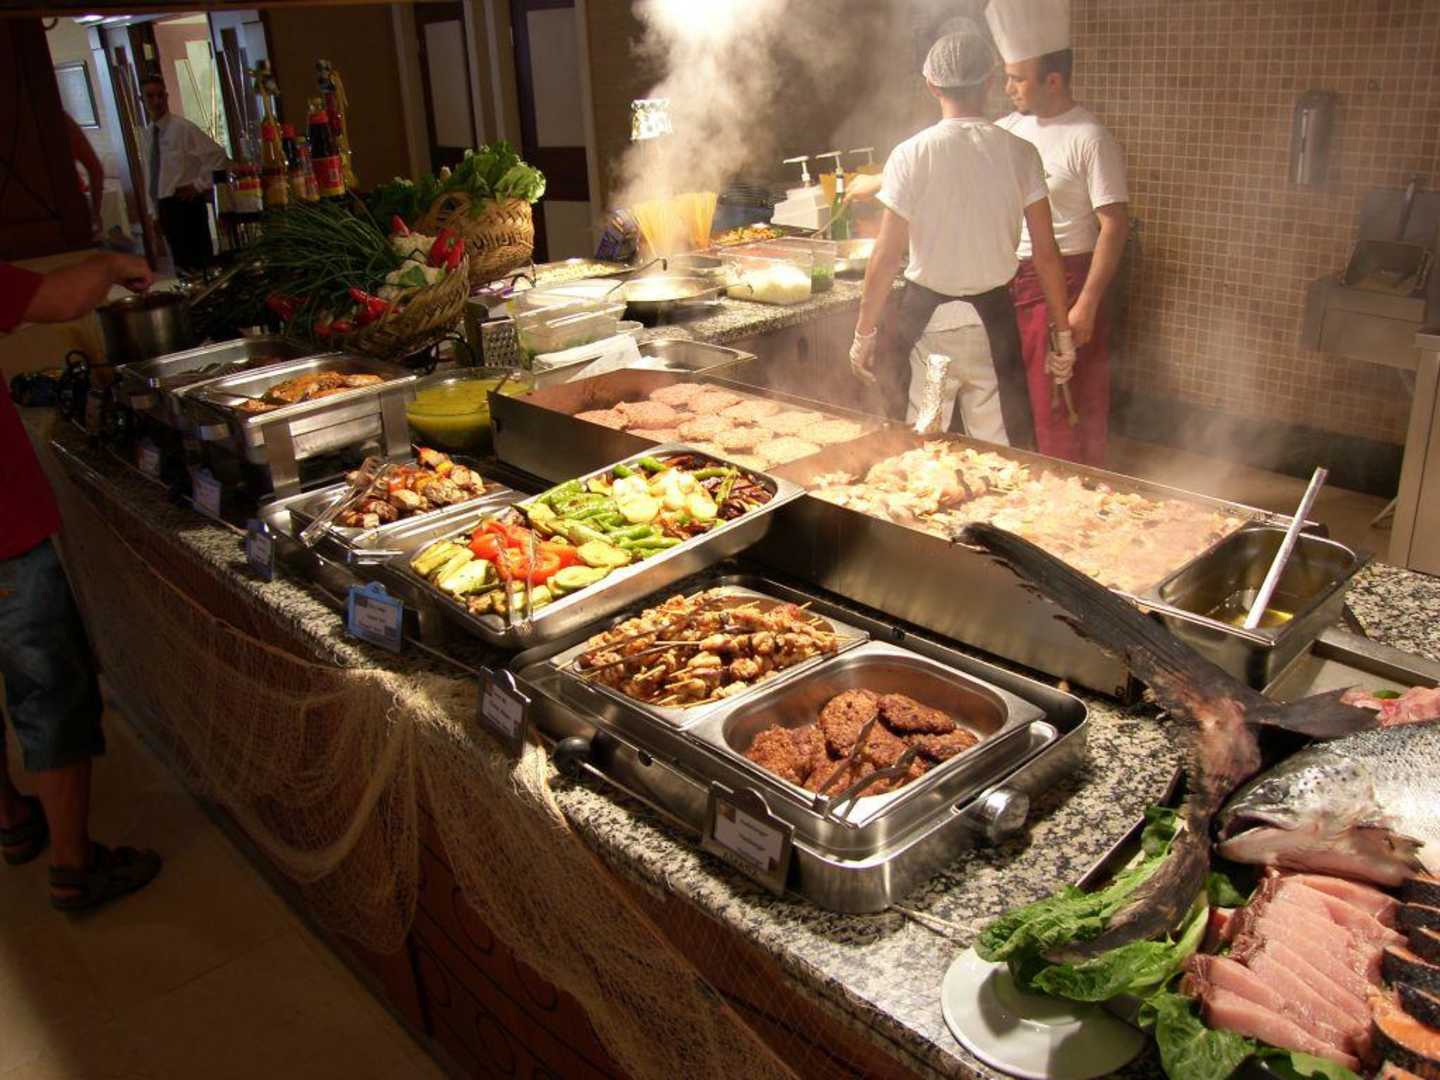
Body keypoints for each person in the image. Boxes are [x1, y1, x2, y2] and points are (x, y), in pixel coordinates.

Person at [0, 253, 164, 911]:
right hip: (3, 533)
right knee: (47, 689)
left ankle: (12, 820)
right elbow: (64, 299)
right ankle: (74, 866)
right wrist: (114, 262)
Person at [848, 20, 1074, 449]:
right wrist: (1062, 336)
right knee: (999, 449)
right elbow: (1047, 253)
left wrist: (864, 334)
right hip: (993, 328)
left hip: (927, 328)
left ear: (931, 85)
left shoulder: (910, 154)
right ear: (989, 82)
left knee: (921, 444)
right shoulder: (1021, 153)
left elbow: (886, 255)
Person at [987, 0, 1130, 466]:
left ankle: (1074, 490)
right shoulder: (1006, 130)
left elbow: (1115, 225)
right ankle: (1027, 485)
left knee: (1064, 400)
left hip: (1066, 281)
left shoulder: (1089, 136)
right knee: (1016, 398)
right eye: (1007, 77)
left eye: (1018, 78)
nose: (1008, 88)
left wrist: (1085, 305)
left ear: (1053, 80)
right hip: (1013, 279)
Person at [140, 73, 228, 273]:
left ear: (166, 96)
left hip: (186, 202)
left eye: (160, 95)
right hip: (165, 205)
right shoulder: (148, 134)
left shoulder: (183, 128)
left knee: (200, 263)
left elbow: (217, 156)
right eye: (150, 96)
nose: (156, 101)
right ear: (142, 100)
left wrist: (198, 185)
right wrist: (153, 212)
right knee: (181, 264)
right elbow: (151, 175)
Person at [65, 112, 105, 240]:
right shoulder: (62, 120)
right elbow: (96, 170)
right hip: (72, 210)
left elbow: (96, 170)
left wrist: (94, 215)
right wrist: (95, 214)